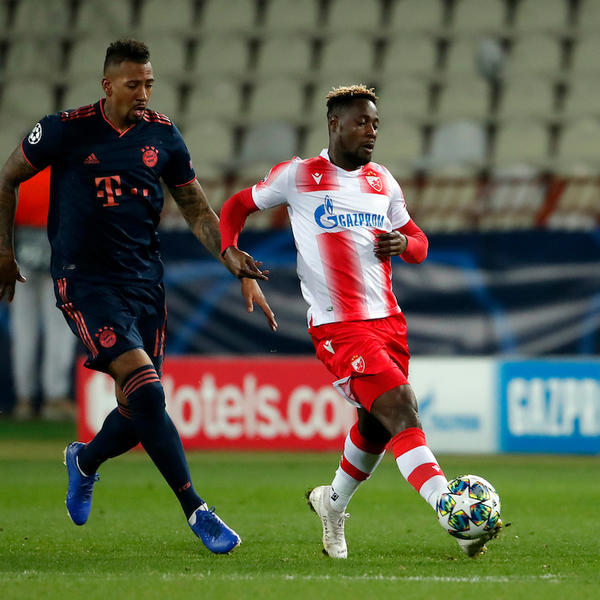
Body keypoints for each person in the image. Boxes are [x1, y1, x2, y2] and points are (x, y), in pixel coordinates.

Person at [0, 39, 276, 554]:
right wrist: (3, 250)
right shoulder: (64, 129)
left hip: (145, 284)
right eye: (133, 85)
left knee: (137, 411)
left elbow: (196, 209)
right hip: (85, 282)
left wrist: (229, 254)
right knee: (148, 393)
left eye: (149, 83)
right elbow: (8, 177)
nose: (144, 93)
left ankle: (84, 460)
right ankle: (197, 509)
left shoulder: (163, 134)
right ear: (107, 86)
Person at [219, 84, 502, 558]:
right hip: (339, 327)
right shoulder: (298, 176)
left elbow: (420, 244)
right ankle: (452, 513)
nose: (371, 131)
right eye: (361, 122)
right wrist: (230, 251)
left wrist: (403, 244)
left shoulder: (382, 181)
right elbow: (236, 206)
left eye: (375, 123)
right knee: (402, 407)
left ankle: (331, 505)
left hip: (389, 323)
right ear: (335, 124)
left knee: (375, 428)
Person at [10, 167, 77, 421]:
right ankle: (54, 398)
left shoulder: (20, 177)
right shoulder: (64, 176)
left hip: (21, 259)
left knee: (23, 331)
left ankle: (24, 400)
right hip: (56, 258)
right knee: (59, 330)